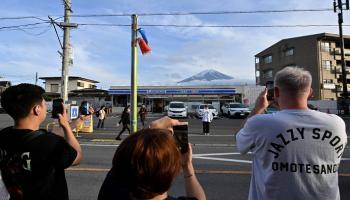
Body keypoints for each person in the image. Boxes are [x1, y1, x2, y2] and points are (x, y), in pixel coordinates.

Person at [236, 67, 347, 200]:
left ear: (276, 92)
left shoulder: (259, 123)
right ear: (310, 92)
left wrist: (259, 108)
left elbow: (241, 142)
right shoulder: (336, 124)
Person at [0, 83, 82, 200]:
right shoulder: (51, 143)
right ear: (37, 109)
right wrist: (66, 126)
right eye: (44, 105)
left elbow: (42, 138)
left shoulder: (3, 136)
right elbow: (77, 157)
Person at [98, 116, 206, 200]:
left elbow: (121, 166)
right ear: (171, 174)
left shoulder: (110, 194)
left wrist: (151, 129)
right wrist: (187, 166)